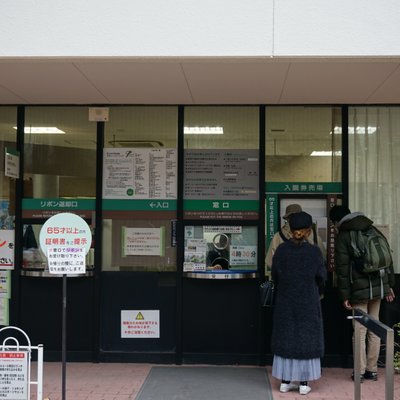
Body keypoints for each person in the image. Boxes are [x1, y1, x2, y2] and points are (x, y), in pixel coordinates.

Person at [329, 205, 396, 382]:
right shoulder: (371, 228)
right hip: (379, 286)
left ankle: (359, 372)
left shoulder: (344, 235)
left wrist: (344, 296)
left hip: (358, 291)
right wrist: (389, 286)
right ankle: (372, 370)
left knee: (359, 331)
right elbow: (387, 258)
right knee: (375, 328)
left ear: (336, 222)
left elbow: (342, 270)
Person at [271, 211, 326, 395]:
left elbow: (275, 276)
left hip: (285, 302)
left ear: (290, 230)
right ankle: (303, 383)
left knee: (287, 339)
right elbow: (321, 277)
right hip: (308, 303)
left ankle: (285, 382)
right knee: (306, 342)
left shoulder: (281, 251)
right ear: (309, 231)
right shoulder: (314, 252)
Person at [265, 203, 326, 274]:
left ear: (287, 218)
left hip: (287, 282)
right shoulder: (314, 236)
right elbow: (323, 260)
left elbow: (271, 263)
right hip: (310, 282)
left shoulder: (278, 237)